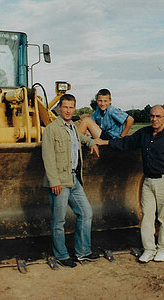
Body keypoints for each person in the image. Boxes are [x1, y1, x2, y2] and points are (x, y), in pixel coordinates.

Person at [108, 105, 164, 263]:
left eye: (158, 116)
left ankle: (163, 249)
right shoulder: (144, 133)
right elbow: (126, 143)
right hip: (148, 181)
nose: (154, 119)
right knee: (147, 217)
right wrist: (104, 142)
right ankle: (149, 249)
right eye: (152, 116)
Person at [42, 93, 100, 268]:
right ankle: (61, 255)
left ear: (74, 108)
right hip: (59, 181)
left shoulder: (73, 127)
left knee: (86, 212)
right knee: (59, 221)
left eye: (71, 107)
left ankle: (83, 251)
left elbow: (80, 139)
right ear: (59, 108)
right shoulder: (51, 129)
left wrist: (92, 143)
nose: (68, 110)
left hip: (74, 179)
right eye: (65, 107)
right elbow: (48, 157)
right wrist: (54, 182)